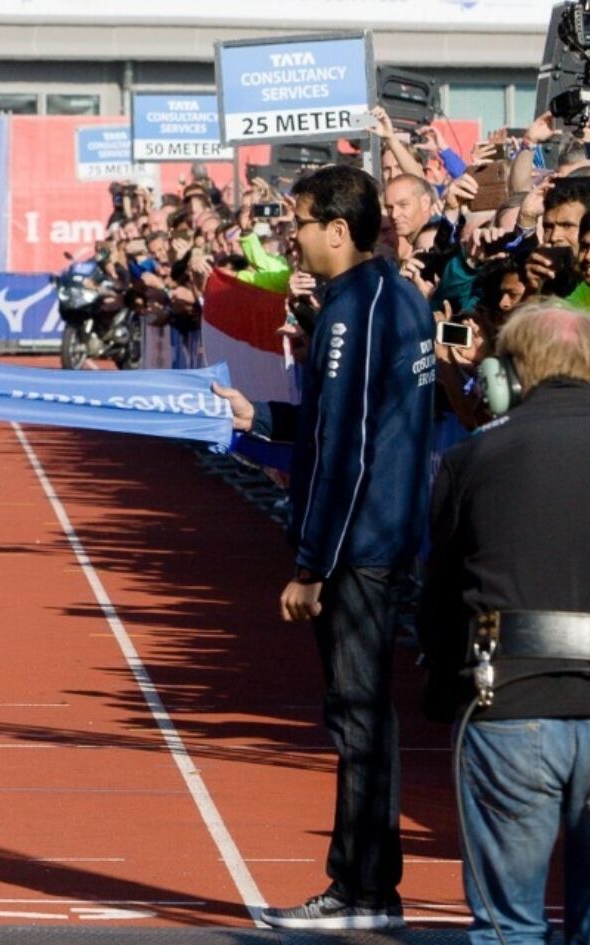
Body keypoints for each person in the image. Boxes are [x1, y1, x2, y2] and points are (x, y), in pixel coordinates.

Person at [212, 163, 434, 930]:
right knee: (360, 716)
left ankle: (365, 890)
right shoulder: (373, 300)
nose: (290, 236)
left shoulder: (360, 309)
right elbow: (334, 418)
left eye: (299, 222)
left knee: (361, 717)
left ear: (339, 230)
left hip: (360, 548)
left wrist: (314, 563)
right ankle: (364, 886)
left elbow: (353, 445)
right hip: (372, 541)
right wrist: (261, 416)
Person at [418, 303, 590, 945]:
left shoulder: (474, 457)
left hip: (509, 701)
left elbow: (438, 595)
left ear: (511, 376)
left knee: (507, 926)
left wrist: (439, 687)